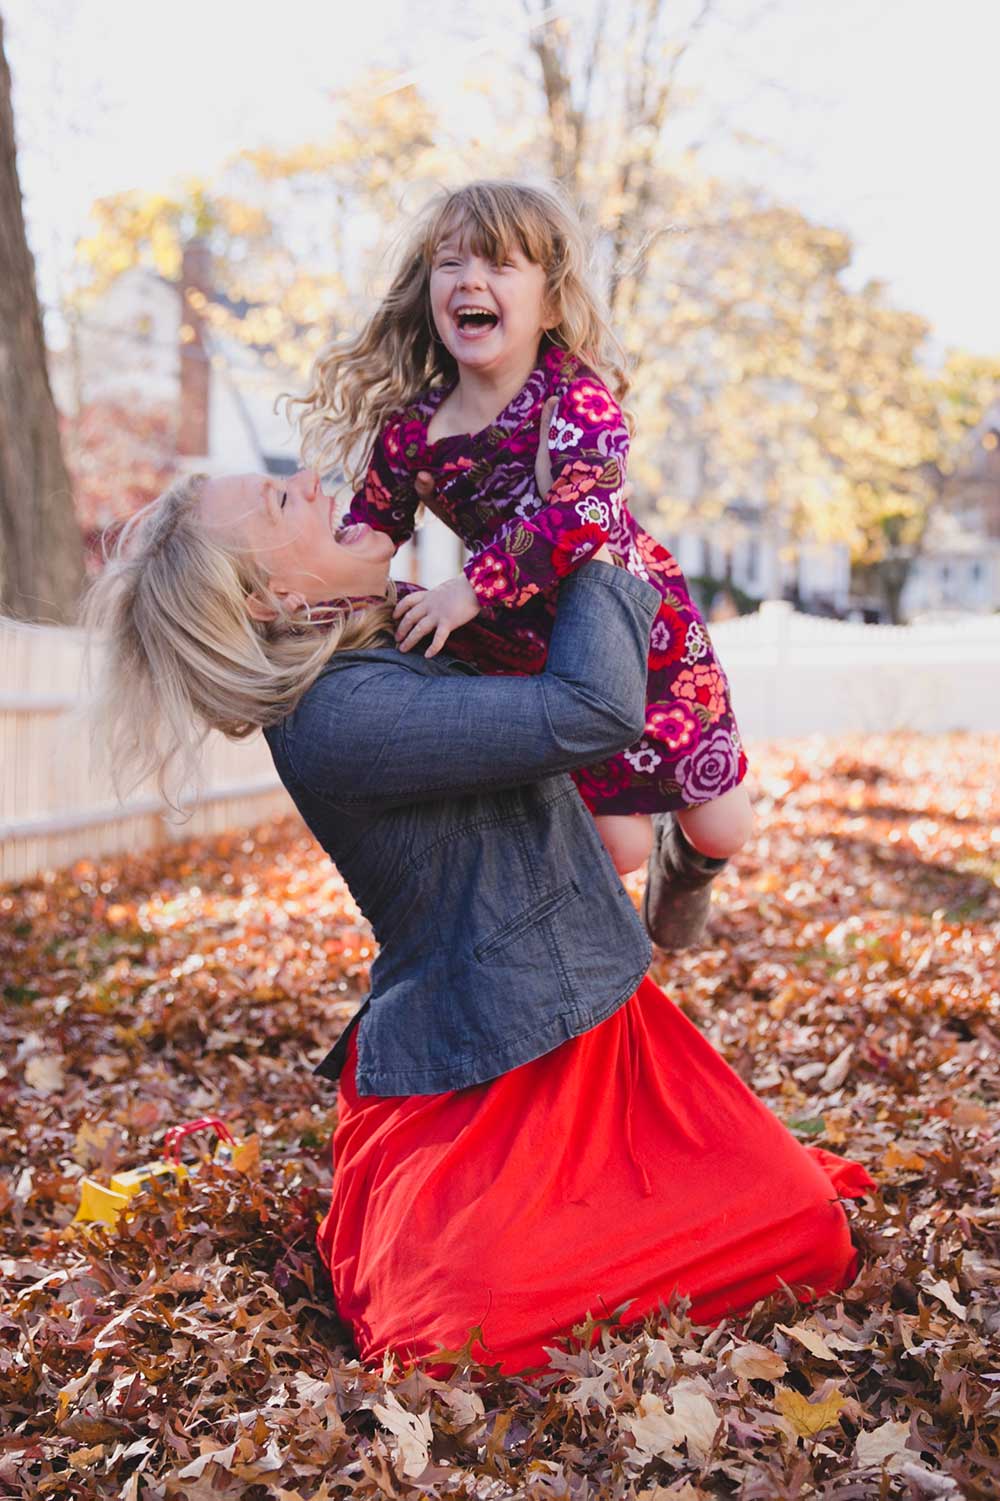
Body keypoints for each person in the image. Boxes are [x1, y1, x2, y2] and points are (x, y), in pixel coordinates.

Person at [80, 456, 872, 1378]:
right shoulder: (337, 713)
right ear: (272, 597)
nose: (313, 482)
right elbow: (588, 710)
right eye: (282, 500)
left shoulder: (393, 627)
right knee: (451, 1335)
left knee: (811, 1233)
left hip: (599, 1022)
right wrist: (602, 534)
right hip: (478, 1070)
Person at [295, 179, 754, 950]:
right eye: (452, 263)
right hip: (535, 651)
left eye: (501, 265)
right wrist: (303, 591)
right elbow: (369, 535)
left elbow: (583, 510)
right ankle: (583, 958)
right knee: (618, 843)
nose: (472, 279)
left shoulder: (573, 399)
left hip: (644, 635)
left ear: (548, 304)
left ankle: (690, 865)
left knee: (723, 822)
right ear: (429, 295)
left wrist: (471, 587)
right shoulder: (414, 434)